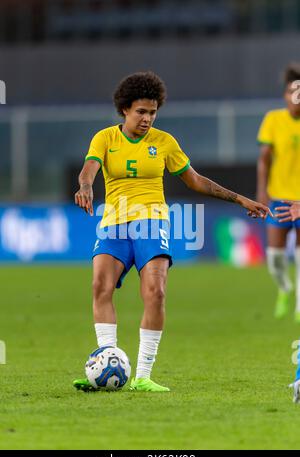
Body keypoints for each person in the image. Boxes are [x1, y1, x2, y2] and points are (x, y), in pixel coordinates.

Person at [73, 71, 270, 393]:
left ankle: (143, 376)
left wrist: (239, 198)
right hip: (113, 223)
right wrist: (84, 187)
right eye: (141, 111)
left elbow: (196, 181)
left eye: (152, 112)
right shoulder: (105, 138)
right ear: (125, 109)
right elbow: (88, 172)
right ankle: (106, 359)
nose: (147, 118)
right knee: (100, 286)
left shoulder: (164, 143)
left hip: (152, 222)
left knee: (156, 292)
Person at [257, 64, 300, 323]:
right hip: (278, 198)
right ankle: (284, 289)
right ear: (285, 95)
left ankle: (299, 309)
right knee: (274, 258)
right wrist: (262, 190)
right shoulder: (273, 119)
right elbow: (264, 158)